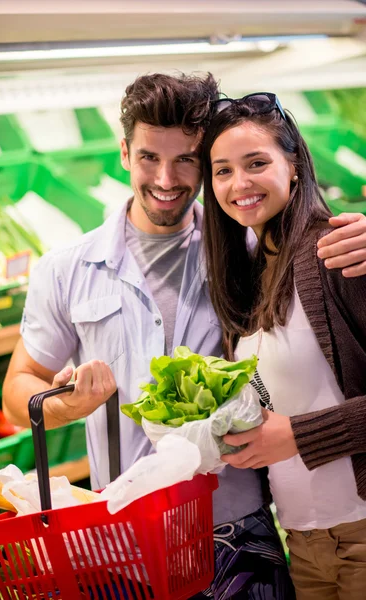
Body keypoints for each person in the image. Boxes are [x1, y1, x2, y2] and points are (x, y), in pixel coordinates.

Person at [2, 74, 366, 599]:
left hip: (241, 526)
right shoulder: (65, 269)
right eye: (150, 157)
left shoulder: (250, 247)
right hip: (125, 537)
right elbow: (22, 387)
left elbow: (316, 248)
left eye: (187, 161)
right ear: (125, 153)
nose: (166, 178)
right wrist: (64, 406)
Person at [200, 92, 366, 600]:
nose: (239, 184)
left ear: (293, 166)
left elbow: (292, 427)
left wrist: (299, 435)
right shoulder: (247, 275)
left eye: (256, 163)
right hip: (304, 543)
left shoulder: (337, 252)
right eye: (222, 170)